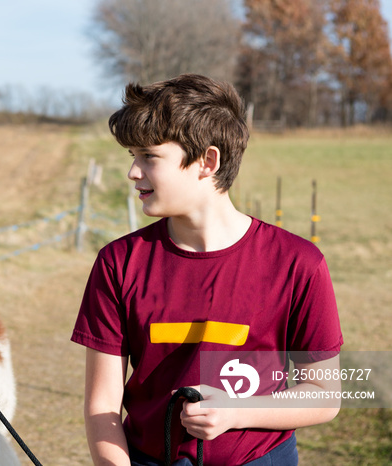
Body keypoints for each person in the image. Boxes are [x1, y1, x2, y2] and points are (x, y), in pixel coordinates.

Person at [71, 74, 343, 465]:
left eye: (148, 156)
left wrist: (236, 412)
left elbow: (324, 393)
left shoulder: (299, 264)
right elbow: (101, 406)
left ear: (207, 161)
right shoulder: (118, 263)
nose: (133, 172)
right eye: (132, 156)